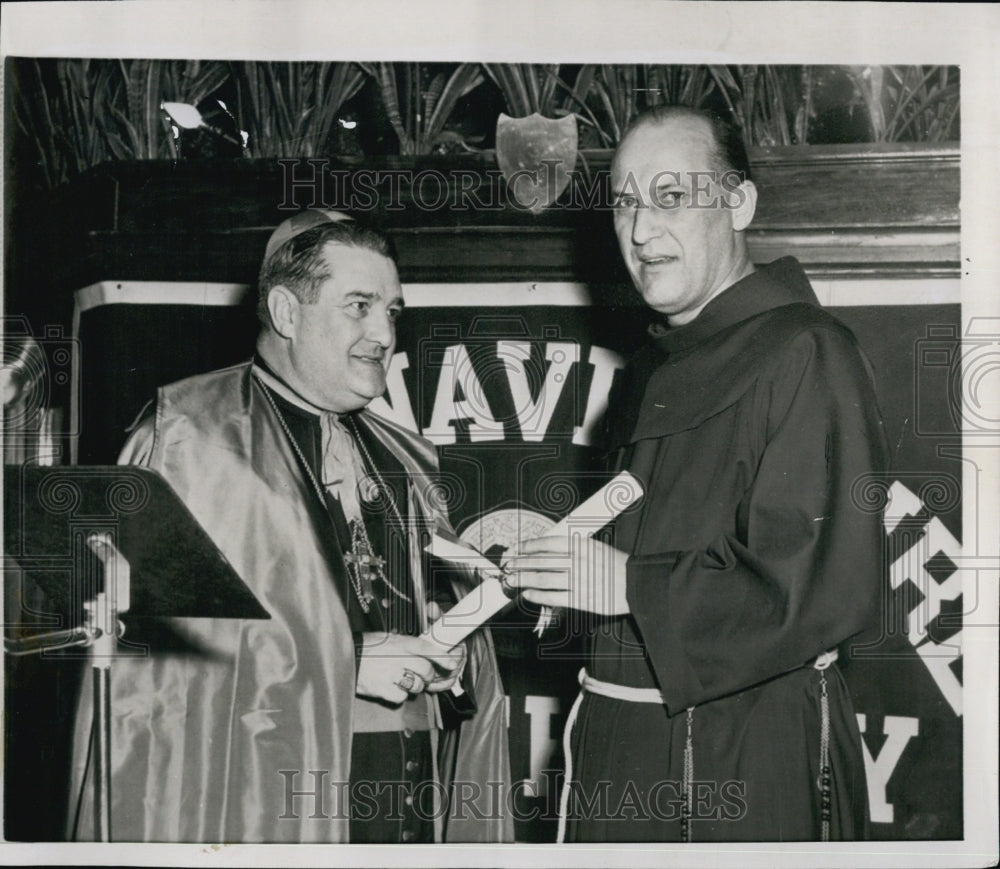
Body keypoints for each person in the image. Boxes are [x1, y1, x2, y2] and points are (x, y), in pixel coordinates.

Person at [68, 211, 512, 843]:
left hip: (407, 780)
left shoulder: (406, 458)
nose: (383, 333)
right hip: (263, 785)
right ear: (285, 311)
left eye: (392, 311)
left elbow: (428, 607)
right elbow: (150, 667)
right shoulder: (187, 437)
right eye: (358, 306)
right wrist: (346, 660)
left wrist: (455, 649)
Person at [509, 106, 888, 842]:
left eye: (671, 197)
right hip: (623, 742)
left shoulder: (808, 349)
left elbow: (819, 580)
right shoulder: (652, 366)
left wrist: (622, 584)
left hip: (741, 754)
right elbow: (647, 551)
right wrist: (564, 581)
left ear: (739, 202)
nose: (642, 232)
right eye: (625, 202)